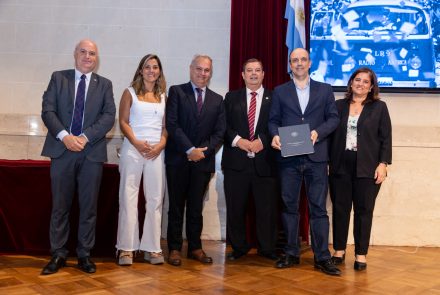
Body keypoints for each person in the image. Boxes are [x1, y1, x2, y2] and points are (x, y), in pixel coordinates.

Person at [40, 39, 116, 275]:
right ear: (75, 54)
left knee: (88, 207)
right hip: (62, 151)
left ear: (97, 58)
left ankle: (84, 254)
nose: (87, 56)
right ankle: (58, 253)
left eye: (92, 53)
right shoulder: (58, 78)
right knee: (60, 207)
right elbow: (47, 110)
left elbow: (109, 115)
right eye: (83, 52)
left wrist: (83, 137)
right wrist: (65, 136)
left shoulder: (104, 85)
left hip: (91, 153)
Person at [268, 48, 341, 276]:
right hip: (289, 158)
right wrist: (275, 135)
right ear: (290, 64)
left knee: (318, 209)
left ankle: (322, 257)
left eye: (302, 60)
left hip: (316, 158)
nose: (298, 63)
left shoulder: (325, 89)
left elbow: (334, 118)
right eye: (294, 60)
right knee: (289, 207)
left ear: (309, 63)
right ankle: (291, 253)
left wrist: (318, 132)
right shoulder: (280, 91)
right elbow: (273, 121)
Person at [165, 54, 226, 266]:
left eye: (207, 70)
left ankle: (195, 247)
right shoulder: (176, 92)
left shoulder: (218, 100)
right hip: (178, 160)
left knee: (195, 208)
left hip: (203, 162)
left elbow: (219, 133)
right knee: (175, 206)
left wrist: (202, 152)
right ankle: (173, 248)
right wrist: (189, 149)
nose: (202, 73)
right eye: (199, 69)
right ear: (191, 69)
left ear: (211, 73)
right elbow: (172, 125)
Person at [329, 67, 392, 271]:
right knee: (340, 209)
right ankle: (338, 251)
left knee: (364, 211)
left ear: (371, 86)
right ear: (351, 82)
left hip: (367, 166)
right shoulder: (338, 106)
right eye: (358, 80)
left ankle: (360, 254)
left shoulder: (379, 107)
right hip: (340, 164)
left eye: (366, 81)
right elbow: (327, 134)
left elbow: (385, 138)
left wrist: (383, 164)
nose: (361, 84)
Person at [222, 58, 279, 261]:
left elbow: (280, 124)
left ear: (264, 74)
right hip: (236, 163)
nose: (253, 74)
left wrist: (262, 141)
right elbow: (223, 126)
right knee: (236, 208)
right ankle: (238, 247)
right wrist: (239, 141)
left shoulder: (275, 97)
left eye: (257, 70)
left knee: (267, 209)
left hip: (266, 163)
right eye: (249, 70)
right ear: (243, 75)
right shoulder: (231, 97)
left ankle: (267, 248)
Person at [115, 54, 168, 266]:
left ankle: (152, 248)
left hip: (156, 151)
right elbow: (123, 121)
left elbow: (166, 126)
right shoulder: (129, 92)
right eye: (147, 67)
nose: (151, 71)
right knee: (128, 197)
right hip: (133, 149)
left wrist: (161, 144)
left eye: (155, 67)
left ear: (159, 71)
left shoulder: (164, 95)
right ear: (140, 70)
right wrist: (136, 142)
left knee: (155, 199)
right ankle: (126, 248)